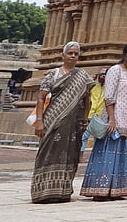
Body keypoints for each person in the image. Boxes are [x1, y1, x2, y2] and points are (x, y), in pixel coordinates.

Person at [31, 41, 94, 203]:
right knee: (47, 153)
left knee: (70, 154)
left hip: (74, 122)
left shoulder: (83, 76)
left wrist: (85, 118)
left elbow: (87, 99)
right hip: (52, 119)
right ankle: (42, 192)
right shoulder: (54, 74)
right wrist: (39, 120)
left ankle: (63, 191)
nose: (73, 56)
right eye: (70, 53)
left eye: (76, 54)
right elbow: (41, 97)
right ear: (63, 55)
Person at [80, 41, 127, 200]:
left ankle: (116, 190)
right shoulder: (115, 70)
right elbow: (109, 96)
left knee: (121, 156)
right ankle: (100, 190)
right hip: (114, 119)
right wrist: (112, 119)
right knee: (107, 155)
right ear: (124, 54)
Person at [80, 68, 107, 152]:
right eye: (100, 75)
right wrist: (92, 79)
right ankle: (80, 155)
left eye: (104, 75)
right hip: (89, 114)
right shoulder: (94, 86)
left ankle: (96, 154)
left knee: (98, 136)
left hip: (100, 116)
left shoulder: (108, 88)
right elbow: (84, 89)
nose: (102, 77)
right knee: (84, 136)